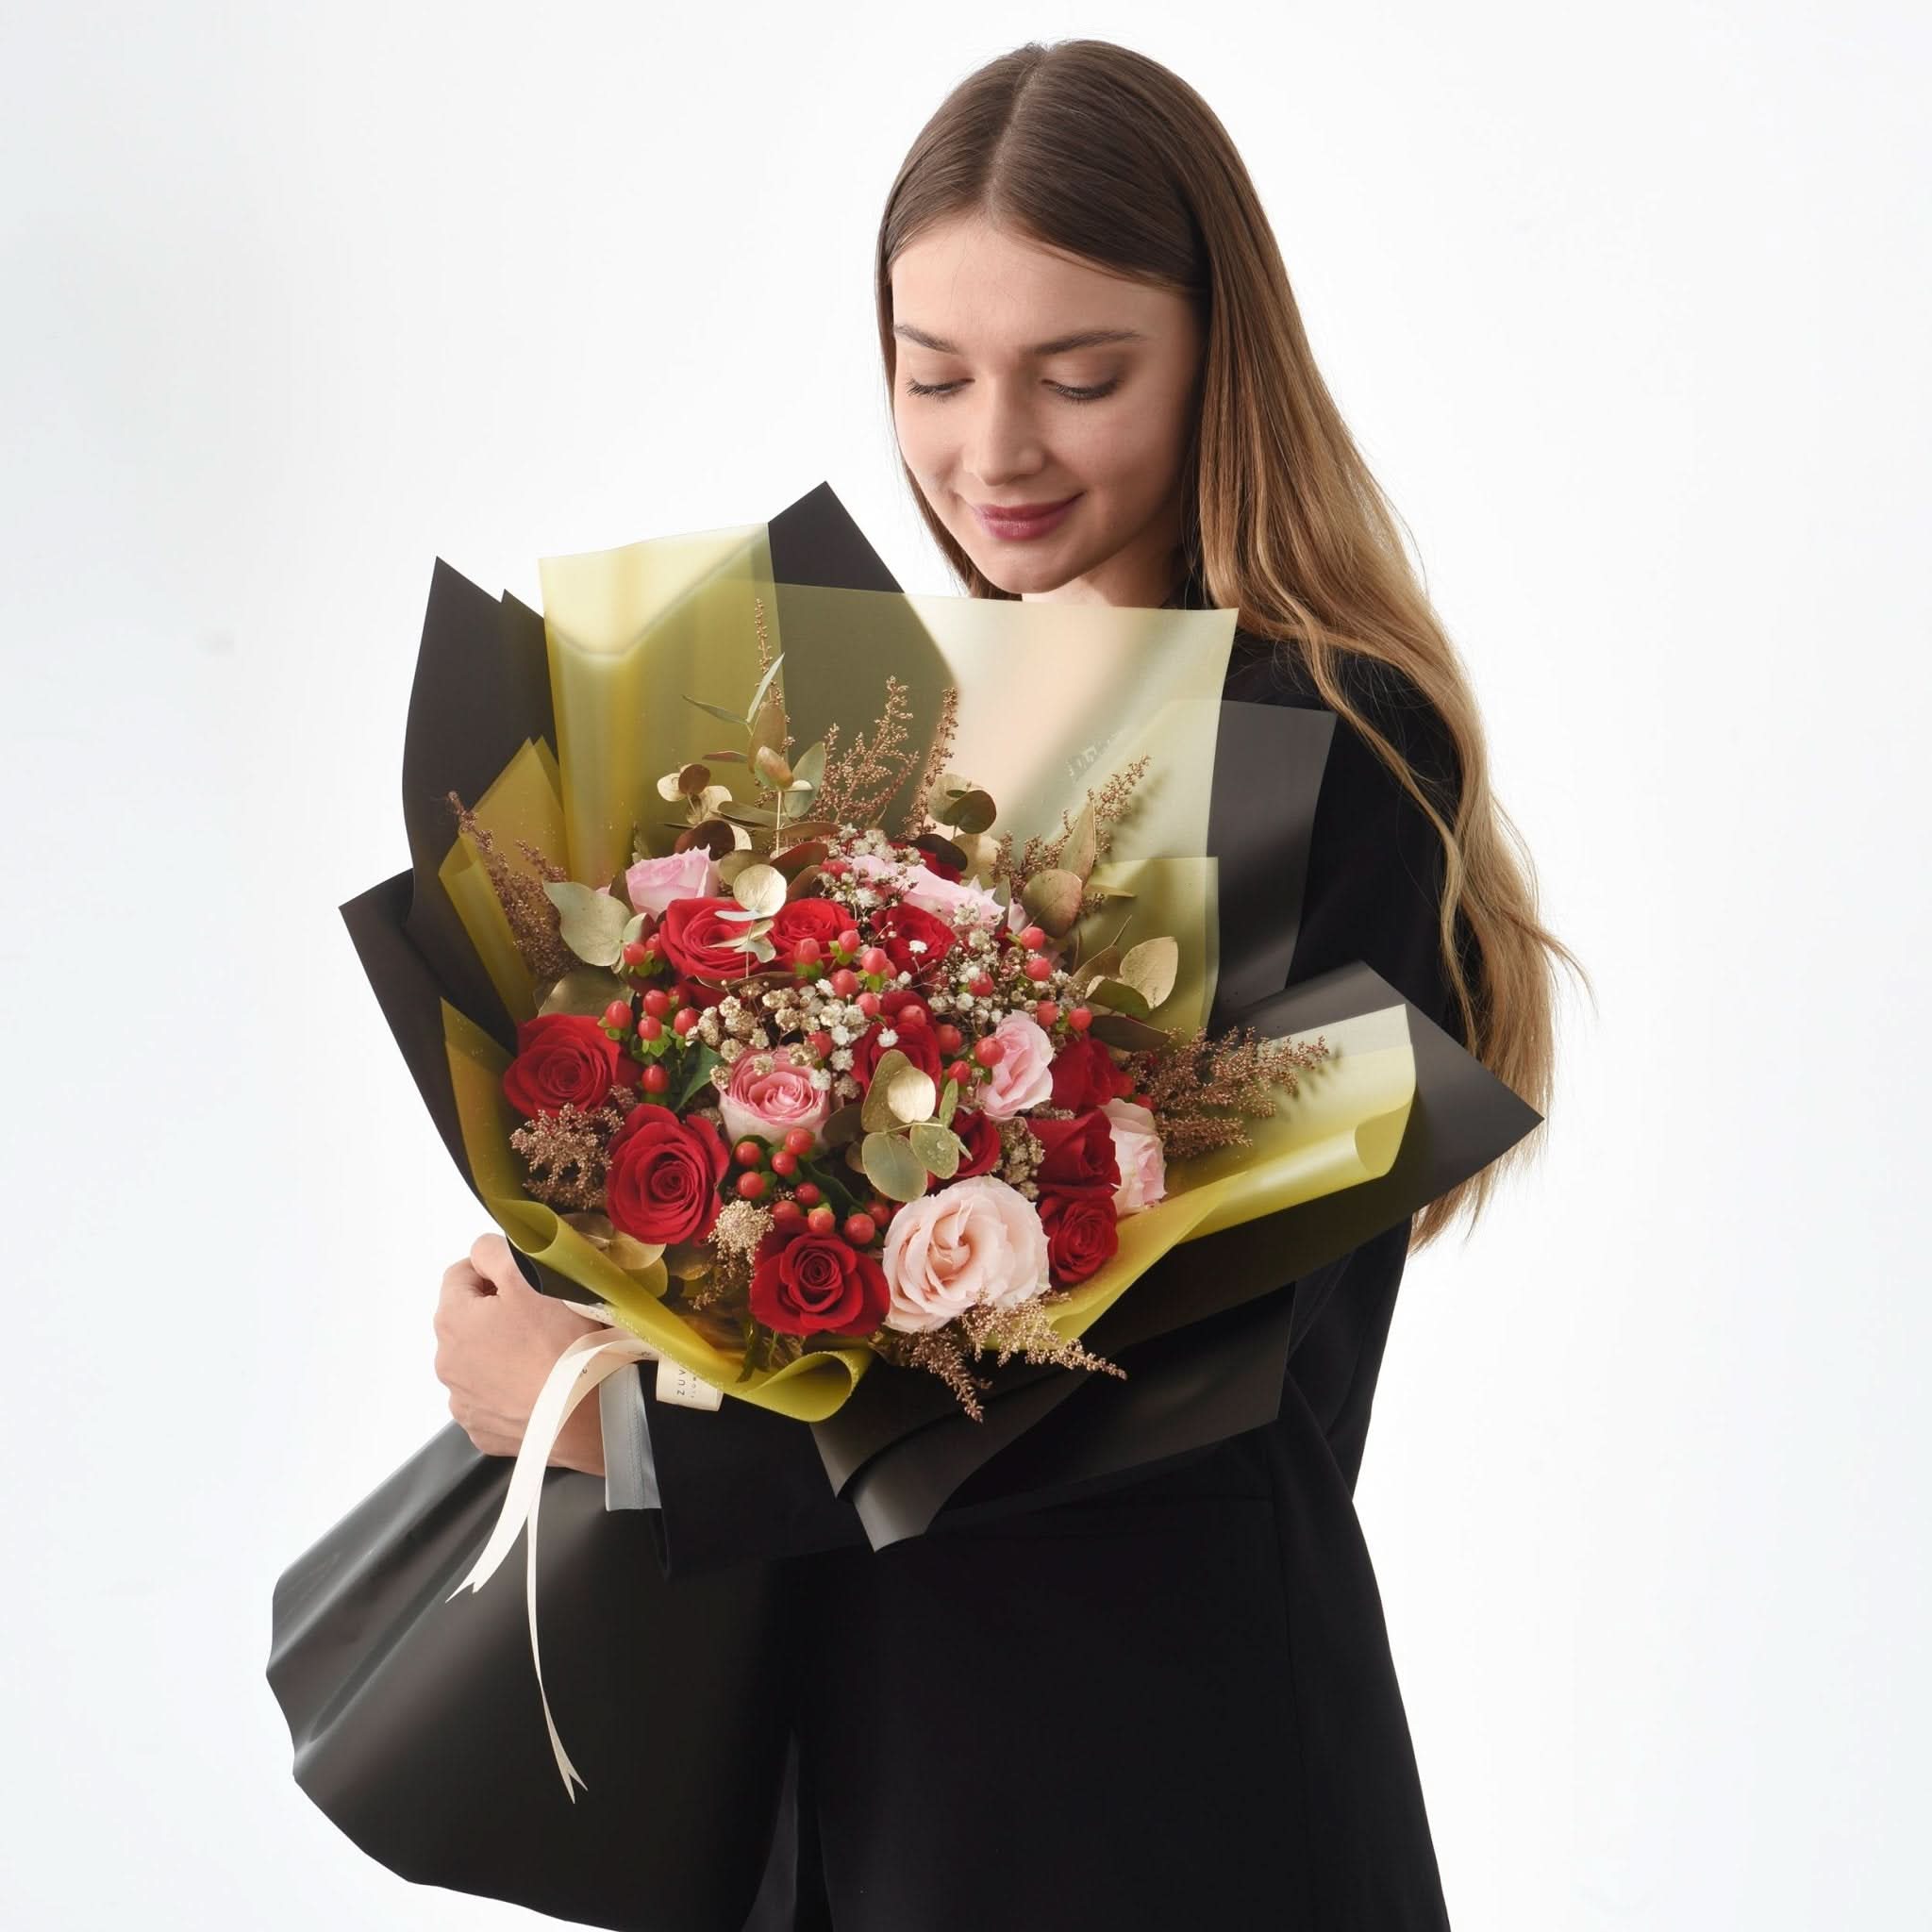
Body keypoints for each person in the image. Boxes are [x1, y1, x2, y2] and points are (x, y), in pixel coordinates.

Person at [433, 39, 1574, 1930]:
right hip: (867, 1765)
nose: (992, 453)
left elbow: (1167, 1377)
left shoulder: (1326, 743)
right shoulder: (901, 736)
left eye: (1081, 375)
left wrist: (614, 1432)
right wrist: (609, 1282)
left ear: (1219, 354)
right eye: (935, 373)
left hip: (1157, 1788)